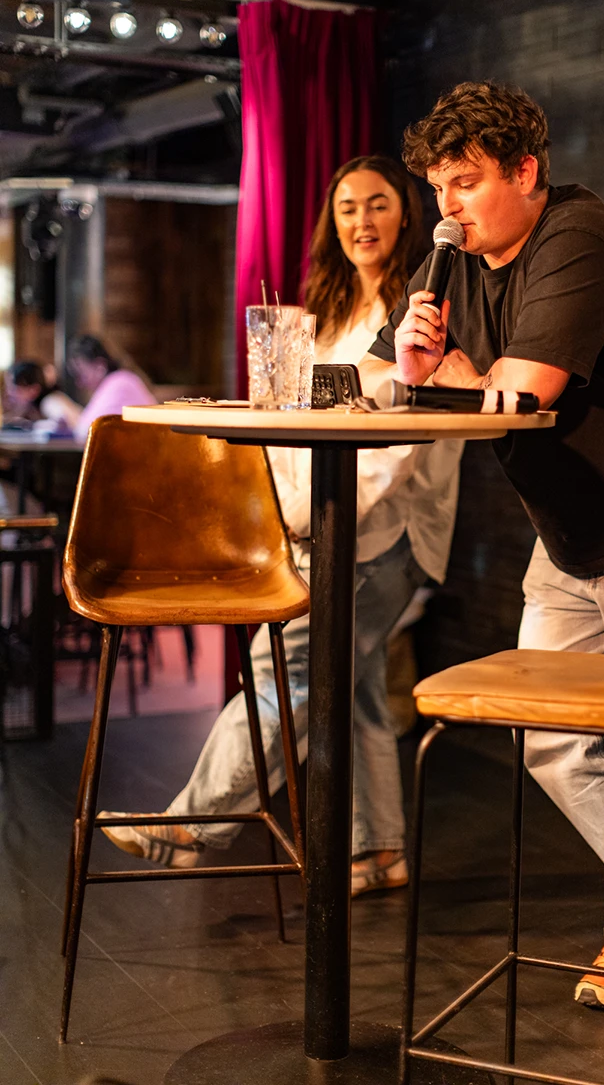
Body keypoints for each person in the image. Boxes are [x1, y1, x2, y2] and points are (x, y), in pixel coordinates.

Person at [359, 81, 604, 1008]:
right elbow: (409, 377)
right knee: (553, 735)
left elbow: (519, 394)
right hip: (573, 533)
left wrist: (447, 374)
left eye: (463, 184)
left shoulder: (577, 236)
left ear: (526, 172)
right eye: (437, 190)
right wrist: (418, 368)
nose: (446, 209)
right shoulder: (451, 259)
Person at [100, 155, 464, 896]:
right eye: (348, 208)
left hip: (386, 532)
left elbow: (396, 443)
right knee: (352, 678)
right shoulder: (325, 312)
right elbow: (298, 421)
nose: (362, 220)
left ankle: (192, 824)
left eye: (379, 204)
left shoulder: (424, 305)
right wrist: (282, 511)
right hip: (320, 525)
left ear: (408, 214)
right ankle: (380, 850)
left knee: (290, 669)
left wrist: (300, 516)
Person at [67, 335, 156, 442]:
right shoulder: (123, 379)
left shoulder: (118, 383)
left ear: (100, 366)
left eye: (81, 374)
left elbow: (84, 431)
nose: (79, 383)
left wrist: (62, 407)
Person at [2, 359, 82, 431]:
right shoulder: (33, 408)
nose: (9, 393)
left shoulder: (50, 401)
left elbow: (65, 422)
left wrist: (31, 425)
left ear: (34, 389)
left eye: (15, 389)